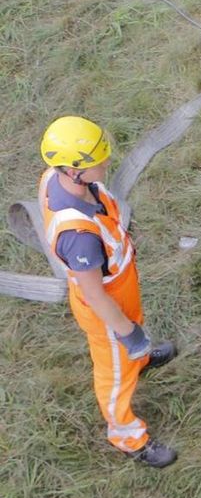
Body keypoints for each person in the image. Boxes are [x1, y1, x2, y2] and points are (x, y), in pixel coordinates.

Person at [38, 116, 178, 468]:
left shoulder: (56, 178)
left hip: (122, 289)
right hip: (107, 310)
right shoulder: (79, 236)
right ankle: (127, 436)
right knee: (113, 375)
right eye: (97, 160)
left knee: (135, 338)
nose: (106, 162)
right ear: (74, 171)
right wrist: (128, 334)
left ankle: (141, 359)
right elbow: (96, 296)